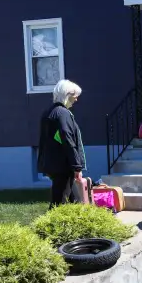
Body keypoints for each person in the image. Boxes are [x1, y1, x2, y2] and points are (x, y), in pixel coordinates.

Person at [37, 80, 87, 209]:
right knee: (58, 205)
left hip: (53, 164)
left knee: (74, 201)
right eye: (75, 95)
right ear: (67, 94)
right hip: (62, 167)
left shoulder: (50, 112)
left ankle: (78, 226)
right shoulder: (62, 113)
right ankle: (48, 228)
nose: (76, 99)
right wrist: (77, 166)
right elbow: (67, 138)